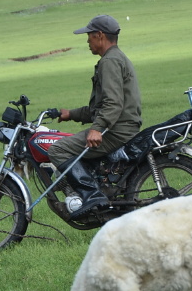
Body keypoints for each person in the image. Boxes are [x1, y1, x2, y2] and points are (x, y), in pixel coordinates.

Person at [48, 14, 142, 219]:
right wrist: (70, 114)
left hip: (117, 129)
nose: (87, 40)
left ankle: (91, 197)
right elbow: (100, 107)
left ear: (100, 35)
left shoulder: (110, 62)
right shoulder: (116, 58)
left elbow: (113, 104)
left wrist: (97, 128)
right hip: (122, 125)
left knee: (57, 150)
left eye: (89, 36)